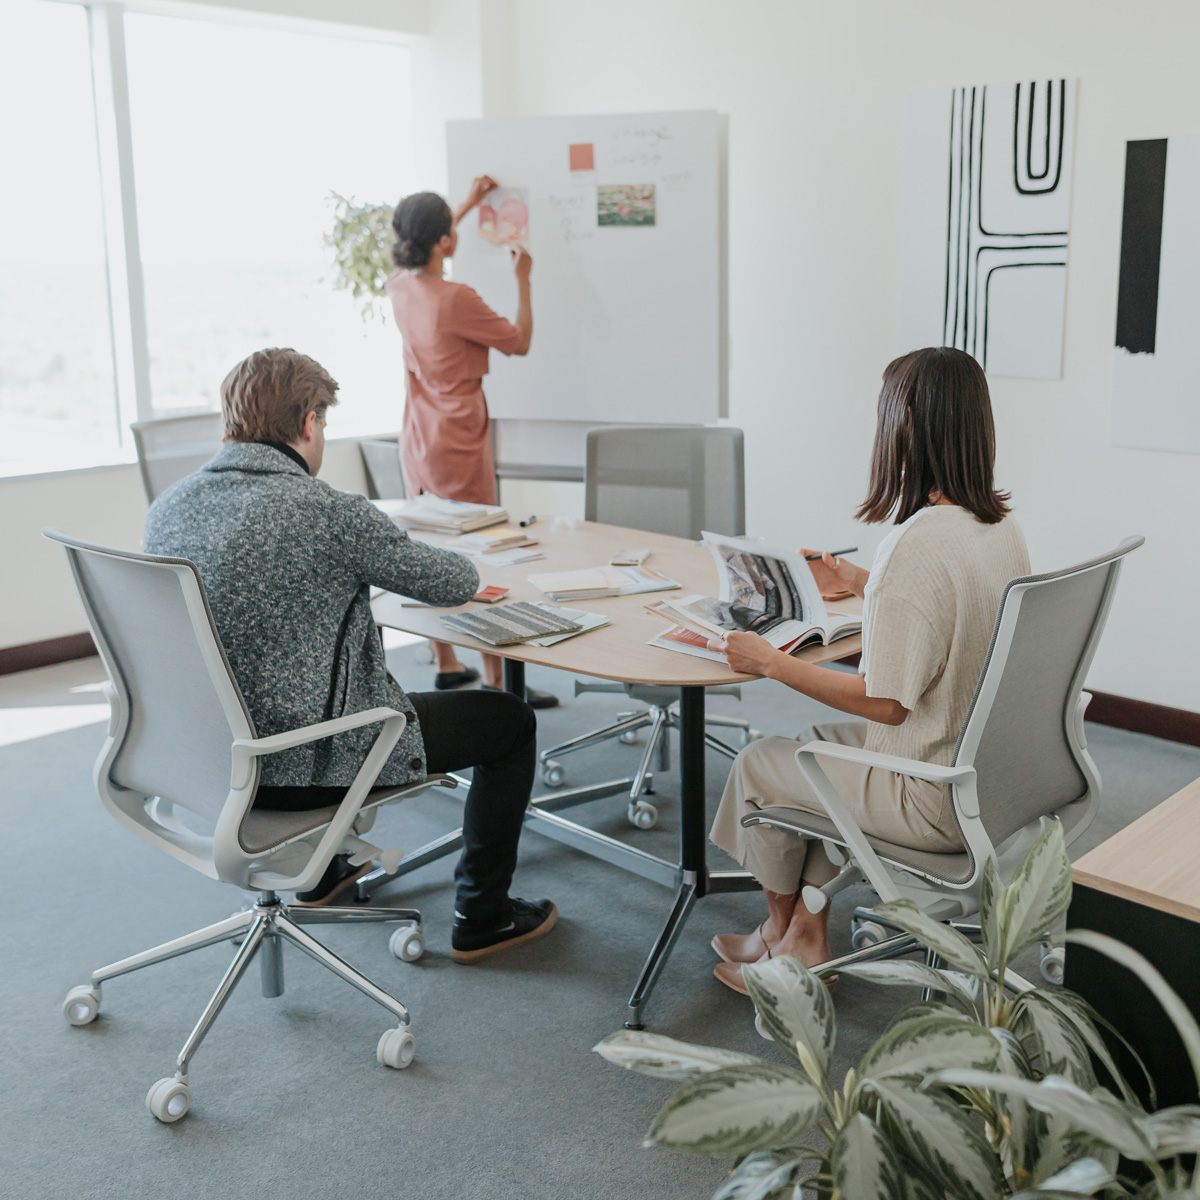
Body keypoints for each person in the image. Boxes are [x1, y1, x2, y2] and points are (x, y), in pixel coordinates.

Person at [142, 347, 556, 962]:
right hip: (304, 770)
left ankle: (319, 871)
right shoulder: (328, 511)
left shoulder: (168, 507)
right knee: (509, 721)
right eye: (325, 424)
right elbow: (453, 585)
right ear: (309, 421)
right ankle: (483, 915)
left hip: (204, 760)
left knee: (279, 669)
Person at [707, 346, 1029, 993]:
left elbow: (886, 705)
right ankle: (805, 930)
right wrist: (856, 578)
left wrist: (770, 663)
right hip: (990, 771)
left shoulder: (914, 547)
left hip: (931, 792)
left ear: (905, 423)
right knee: (816, 752)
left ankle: (781, 940)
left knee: (760, 765)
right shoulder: (996, 524)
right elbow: (951, 614)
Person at [386, 179, 557, 709]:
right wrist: (523, 279)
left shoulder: (399, 285)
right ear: (445, 244)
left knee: (428, 549)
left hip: (417, 433)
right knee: (476, 555)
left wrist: (459, 206)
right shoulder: (456, 299)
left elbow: (429, 242)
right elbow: (520, 342)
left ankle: (445, 663)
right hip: (457, 437)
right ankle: (497, 681)